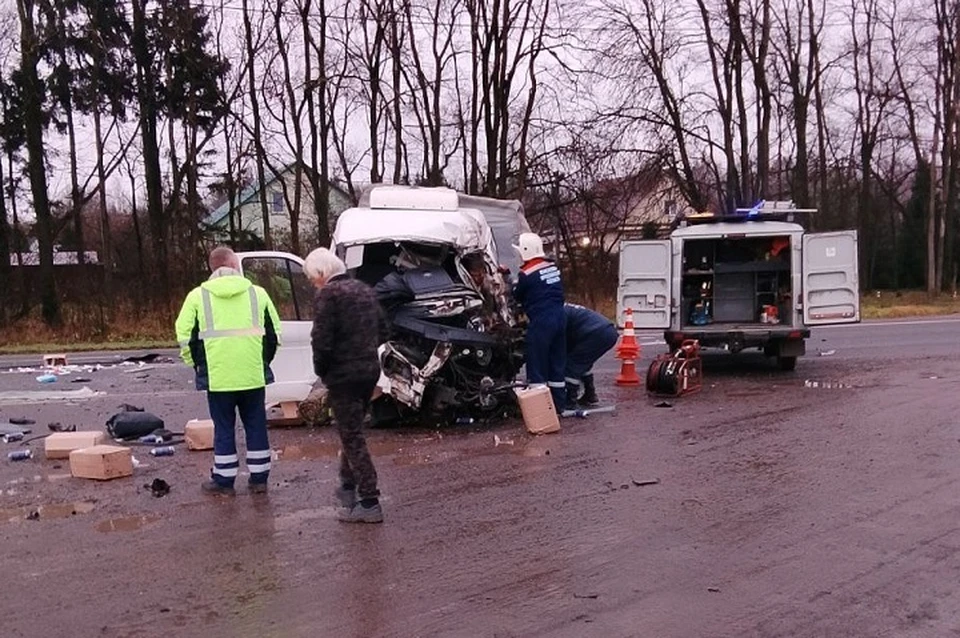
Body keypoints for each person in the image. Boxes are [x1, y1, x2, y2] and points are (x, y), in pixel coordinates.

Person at [175, 246, 281, 496]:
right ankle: (259, 479)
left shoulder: (197, 296)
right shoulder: (258, 294)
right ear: (234, 265)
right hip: (252, 374)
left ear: (212, 268)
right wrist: (262, 361)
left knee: (224, 428)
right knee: (256, 425)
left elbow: (184, 336)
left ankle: (224, 481)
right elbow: (273, 334)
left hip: (218, 377)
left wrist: (197, 365)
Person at [306, 247, 387, 524]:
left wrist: (322, 370)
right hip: (369, 370)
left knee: (352, 435)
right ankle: (346, 484)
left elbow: (321, 340)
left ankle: (369, 500)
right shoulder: (364, 289)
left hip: (343, 375)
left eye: (312, 279)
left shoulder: (329, 295)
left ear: (321, 273)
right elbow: (384, 329)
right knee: (350, 429)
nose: (314, 284)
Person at [512, 232, 567, 411]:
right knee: (556, 363)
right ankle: (559, 407)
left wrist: (508, 281)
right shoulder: (552, 267)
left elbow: (517, 295)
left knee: (537, 363)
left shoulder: (526, 273)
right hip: (560, 317)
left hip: (542, 320)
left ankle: (540, 411)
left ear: (526, 251)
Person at [564, 303, 618, 408]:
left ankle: (570, 401)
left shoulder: (555, 311)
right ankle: (590, 394)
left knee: (572, 366)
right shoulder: (566, 308)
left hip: (596, 332)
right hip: (607, 330)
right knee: (582, 363)